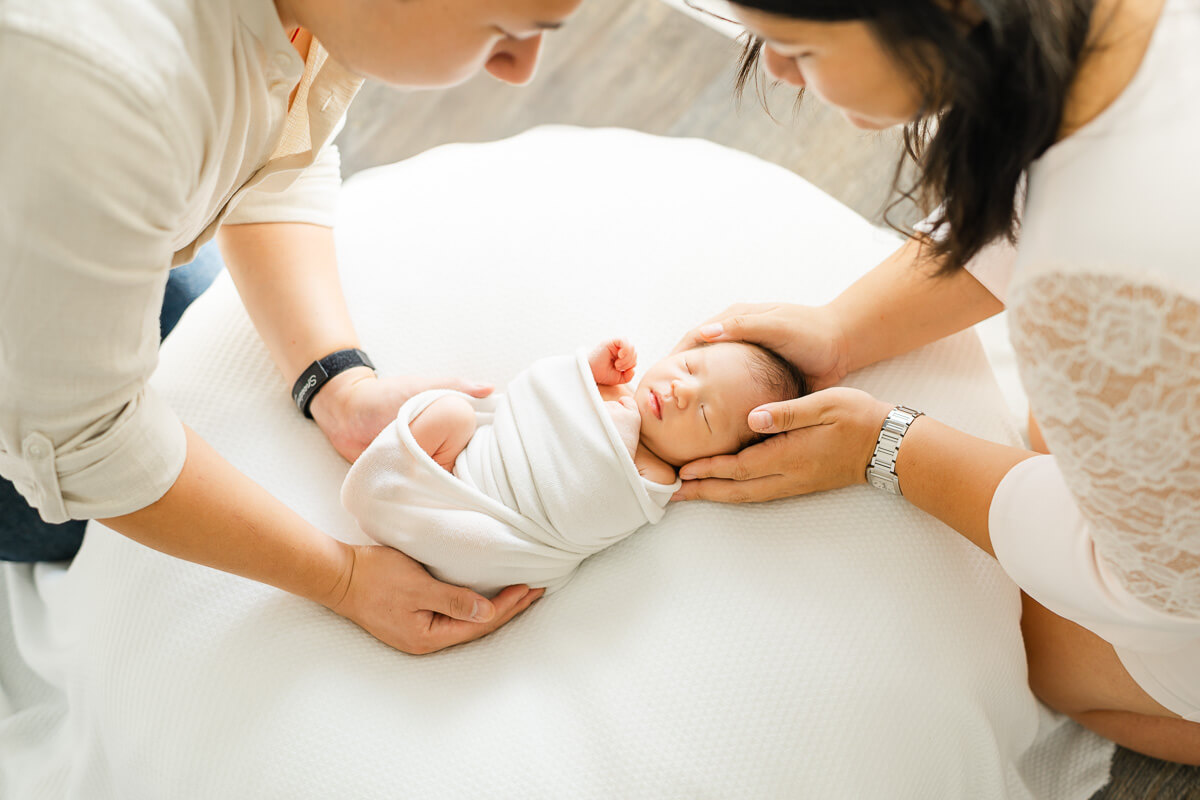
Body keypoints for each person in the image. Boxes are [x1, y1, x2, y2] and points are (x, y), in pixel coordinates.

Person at [672, 0, 1200, 764]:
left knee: (1040, 654)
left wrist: (886, 446)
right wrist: (841, 329)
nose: (777, 68)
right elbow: (1032, 208)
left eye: (797, 46)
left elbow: (1153, 590)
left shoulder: (1096, 288)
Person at [0, 0, 585, 655]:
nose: (517, 69)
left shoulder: (318, 16)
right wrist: (343, 578)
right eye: (507, 30)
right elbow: (80, 439)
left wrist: (335, 382)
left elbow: (271, 156)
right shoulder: (101, 90)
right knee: (81, 536)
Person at [341, 338, 806, 596]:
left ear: (710, 459)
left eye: (705, 414)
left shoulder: (656, 481)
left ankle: (421, 525)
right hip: (462, 470)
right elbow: (538, 390)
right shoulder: (609, 393)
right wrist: (585, 369)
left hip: (498, 527)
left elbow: (584, 505)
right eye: (689, 367)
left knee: (480, 546)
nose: (683, 391)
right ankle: (395, 482)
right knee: (452, 414)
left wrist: (609, 410)